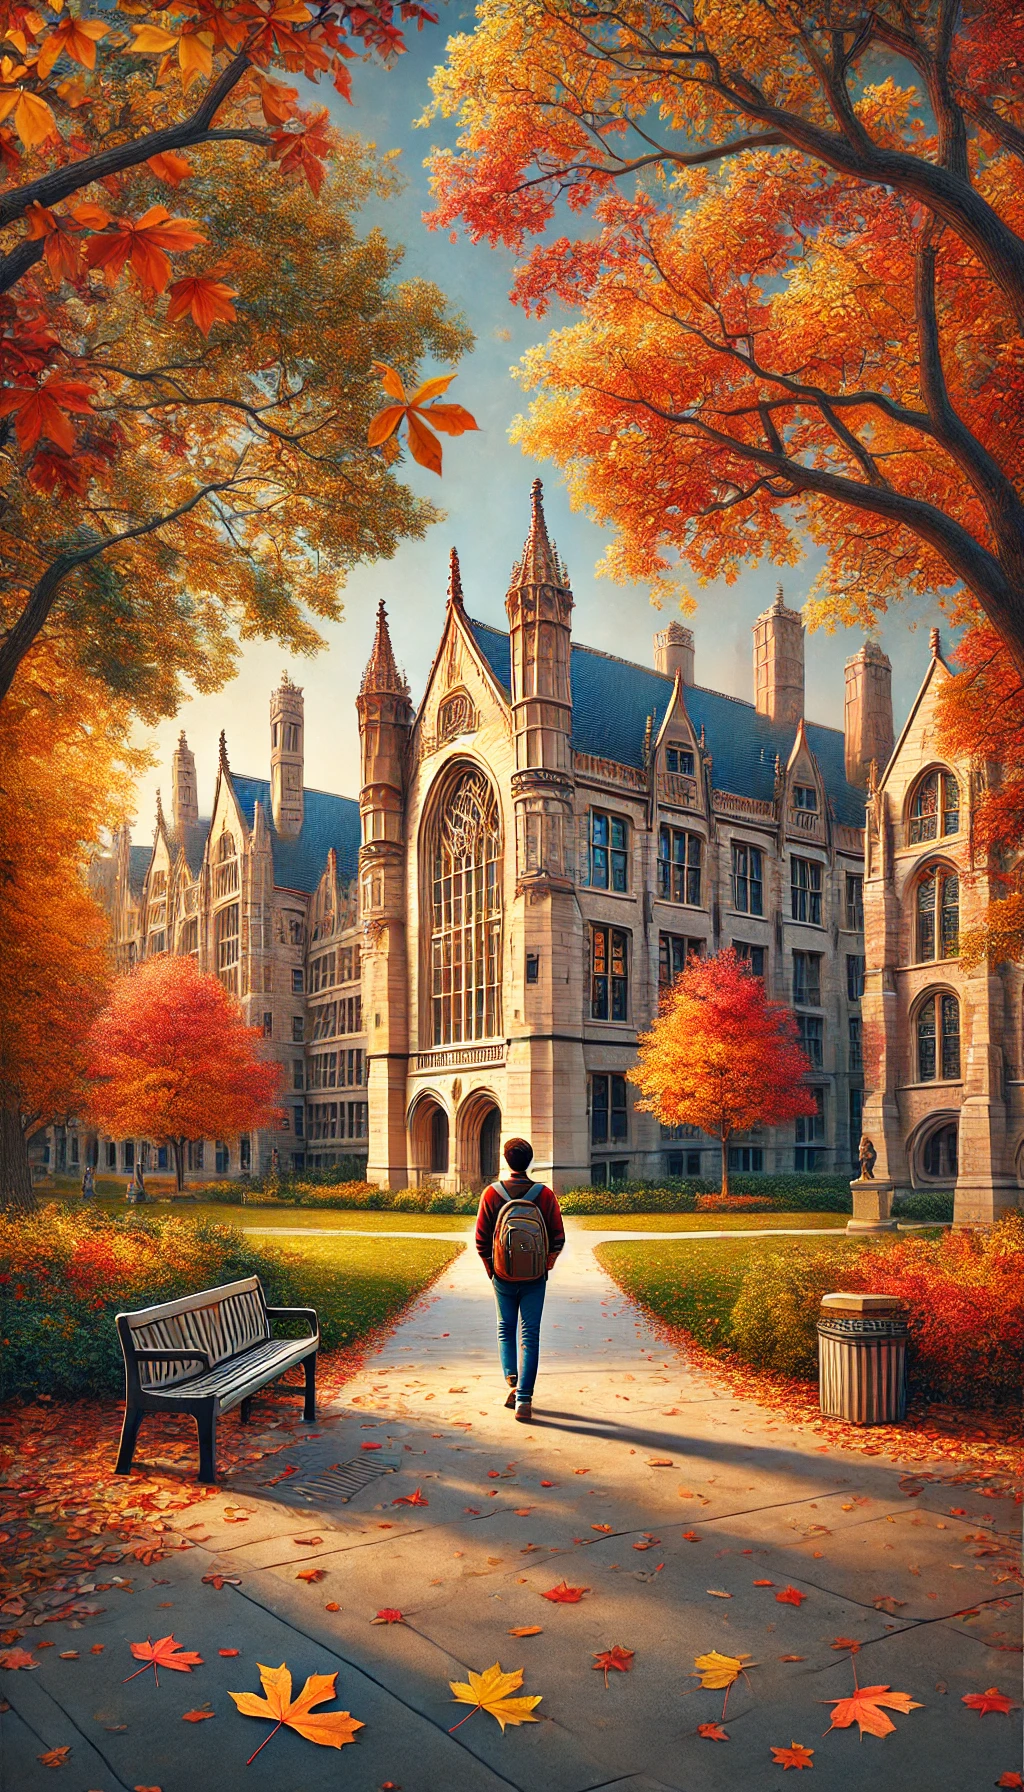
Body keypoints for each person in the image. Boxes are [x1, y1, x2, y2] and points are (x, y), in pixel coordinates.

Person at [475, 1137, 564, 1423]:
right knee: (531, 1334)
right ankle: (524, 1400)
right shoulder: (544, 1195)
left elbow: (480, 1241)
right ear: (530, 1161)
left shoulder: (492, 1194)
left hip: (502, 1274)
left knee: (505, 1328)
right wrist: (544, 1266)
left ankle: (512, 1383)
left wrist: (492, 1269)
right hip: (535, 1276)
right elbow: (558, 1239)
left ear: (506, 1159)